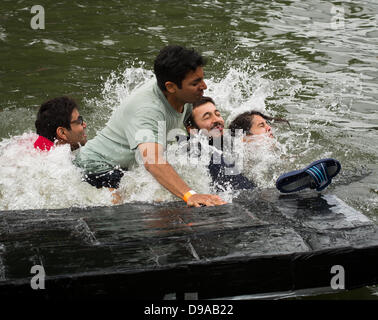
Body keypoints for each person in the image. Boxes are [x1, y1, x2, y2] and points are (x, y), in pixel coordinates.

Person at [74, 45, 227, 207]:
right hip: (97, 166)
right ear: (171, 87)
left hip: (126, 165)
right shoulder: (148, 110)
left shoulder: (183, 96)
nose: (204, 86)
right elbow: (152, 161)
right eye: (196, 82)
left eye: (202, 79)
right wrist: (190, 195)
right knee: (133, 204)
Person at [183, 97, 341, 193]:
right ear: (193, 129)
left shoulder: (231, 143)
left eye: (217, 114)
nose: (217, 119)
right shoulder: (195, 149)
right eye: (207, 116)